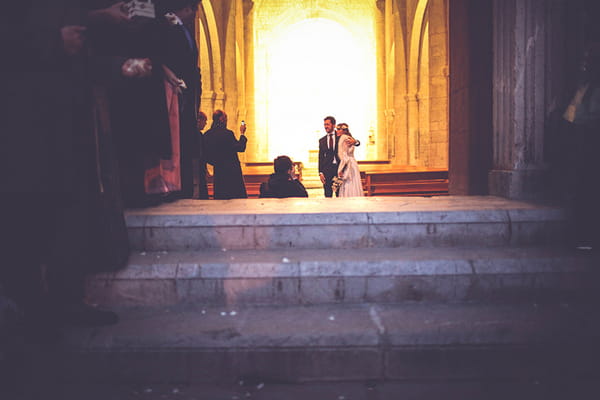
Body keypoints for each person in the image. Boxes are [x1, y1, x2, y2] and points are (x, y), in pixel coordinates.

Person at [0, 1, 132, 345]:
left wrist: (99, 24)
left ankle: (67, 299)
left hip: (65, 113)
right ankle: (30, 308)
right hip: (23, 114)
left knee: (70, 207)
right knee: (28, 210)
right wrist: (53, 41)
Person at [157, 0, 202, 199]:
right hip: (172, 91)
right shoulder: (167, 27)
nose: (194, 14)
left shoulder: (185, 30)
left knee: (185, 143)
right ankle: (173, 188)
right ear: (185, 8)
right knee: (174, 142)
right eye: (194, 9)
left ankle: (184, 190)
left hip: (186, 94)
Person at [203, 110, 248, 199]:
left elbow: (205, 155)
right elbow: (240, 147)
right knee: (235, 197)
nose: (226, 121)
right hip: (232, 171)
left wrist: (216, 162)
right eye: (225, 118)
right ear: (221, 119)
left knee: (221, 197)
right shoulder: (227, 134)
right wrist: (242, 133)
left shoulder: (207, 135)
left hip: (219, 170)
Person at [318, 116, 360, 197]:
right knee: (328, 194)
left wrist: (355, 141)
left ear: (333, 125)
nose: (326, 126)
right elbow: (321, 157)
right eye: (324, 124)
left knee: (339, 194)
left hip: (339, 169)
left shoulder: (340, 136)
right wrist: (320, 172)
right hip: (327, 170)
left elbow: (356, 142)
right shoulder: (322, 140)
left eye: (328, 124)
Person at [335, 123, 364, 197]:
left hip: (346, 164)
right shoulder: (349, 137)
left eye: (338, 129)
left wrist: (340, 169)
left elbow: (344, 155)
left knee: (348, 184)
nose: (336, 131)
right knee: (353, 183)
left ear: (343, 130)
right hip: (352, 163)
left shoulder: (343, 138)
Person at [196, 111, 210, 199]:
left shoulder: (200, 135)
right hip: (198, 168)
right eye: (204, 121)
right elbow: (202, 154)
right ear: (198, 120)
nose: (205, 123)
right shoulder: (198, 135)